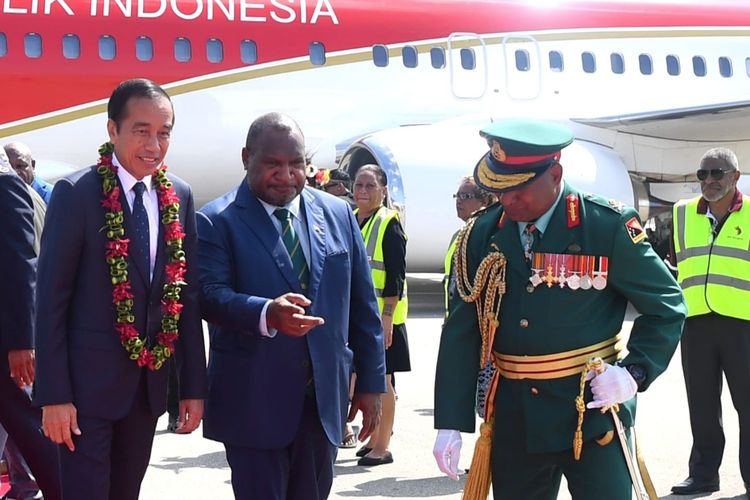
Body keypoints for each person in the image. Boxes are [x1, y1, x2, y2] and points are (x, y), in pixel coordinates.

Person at [432, 118, 686, 500]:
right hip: (515, 417)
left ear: (555, 174)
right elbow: (461, 329)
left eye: (519, 190)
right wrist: (451, 421)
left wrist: (634, 371)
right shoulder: (482, 233)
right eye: (500, 189)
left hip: (590, 409)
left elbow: (667, 306)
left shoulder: (604, 226)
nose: (507, 200)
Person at [33, 78, 208, 500]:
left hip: (146, 391)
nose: (154, 145)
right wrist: (53, 396)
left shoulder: (178, 195)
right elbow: (50, 301)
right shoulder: (76, 194)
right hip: (83, 396)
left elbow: (183, 296)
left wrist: (193, 388)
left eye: (163, 133)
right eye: (141, 131)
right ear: (113, 131)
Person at [197, 112, 386, 500]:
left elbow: (363, 305)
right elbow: (209, 296)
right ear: (246, 157)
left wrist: (370, 384)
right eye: (273, 164)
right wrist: (267, 313)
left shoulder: (336, 214)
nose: (286, 175)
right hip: (253, 405)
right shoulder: (218, 221)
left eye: (295, 163)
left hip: (322, 404)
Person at [670, 147, 750, 497]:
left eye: (717, 173)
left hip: (743, 324)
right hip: (696, 322)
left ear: (735, 177)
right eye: (703, 174)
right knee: (701, 402)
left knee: (748, 405)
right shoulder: (682, 214)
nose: (709, 181)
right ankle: (702, 475)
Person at [0, 149, 61, 500]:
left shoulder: (6, 186)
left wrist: (22, 342)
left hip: (8, 345)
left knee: (33, 430)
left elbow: (23, 265)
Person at [351, 164, 411, 467]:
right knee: (367, 378)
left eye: (370, 186)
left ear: (383, 190)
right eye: (358, 185)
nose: (362, 191)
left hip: (384, 320)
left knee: (384, 381)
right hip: (362, 319)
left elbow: (395, 278)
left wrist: (387, 319)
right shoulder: (354, 219)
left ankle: (382, 445)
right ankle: (372, 438)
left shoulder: (389, 223)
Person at [444, 176, 497, 420]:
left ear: (485, 201)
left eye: (466, 196)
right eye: (458, 196)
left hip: (486, 335)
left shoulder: (490, 235)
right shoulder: (461, 235)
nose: (459, 202)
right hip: (461, 327)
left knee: (490, 405)